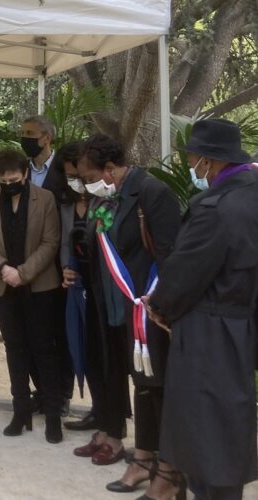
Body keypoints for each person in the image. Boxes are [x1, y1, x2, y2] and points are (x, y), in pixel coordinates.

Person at [146, 118, 258, 500]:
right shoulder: (252, 192)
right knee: (228, 424)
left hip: (210, 332)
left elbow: (183, 273)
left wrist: (159, 306)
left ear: (208, 161)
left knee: (207, 433)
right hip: (243, 326)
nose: (191, 166)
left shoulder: (216, 208)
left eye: (192, 158)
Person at [74, 134, 182, 497]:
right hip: (116, 307)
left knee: (158, 387)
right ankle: (142, 459)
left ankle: (166, 470)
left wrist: (161, 307)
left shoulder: (152, 193)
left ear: (110, 168)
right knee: (142, 385)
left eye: (89, 175)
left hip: (148, 310)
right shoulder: (109, 199)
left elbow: (170, 256)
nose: (87, 183)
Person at [0, 149, 63, 444]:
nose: (8, 183)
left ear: (26, 174)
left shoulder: (45, 199)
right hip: (1, 285)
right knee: (14, 348)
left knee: (43, 349)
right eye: (3, 179)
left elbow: (51, 242)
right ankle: (20, 410)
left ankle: (52, 416)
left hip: (38, 286)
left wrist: (22, 273)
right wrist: (2, 267)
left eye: (14, 178)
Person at [21, 115, 73, 417]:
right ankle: (40, 389)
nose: (25, 138)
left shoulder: (64, 170)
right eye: (23, 133)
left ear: (47, 138)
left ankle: (61, 393)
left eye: (30, 134)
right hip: (26, 265)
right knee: (31, 333)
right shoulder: (21, 169)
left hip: (57, 265)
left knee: (57, 333)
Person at [57, 140, 105, 432]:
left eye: (78, 174)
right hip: (74, 286)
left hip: (102, 287)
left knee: (102, 353)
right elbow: (64, 241)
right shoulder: (66, 204)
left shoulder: (105, 200)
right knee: (80, 347)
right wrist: (65, 268)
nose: (75, 181)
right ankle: (96, 410)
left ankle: (109, 415)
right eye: (69, 176)